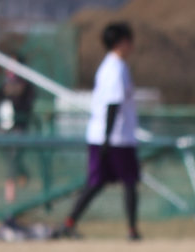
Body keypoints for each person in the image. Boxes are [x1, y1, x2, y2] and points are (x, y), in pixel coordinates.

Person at [55, 22, 141, 240]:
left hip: (111, 136)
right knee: (122, 182)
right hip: (115, 137)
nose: (131, 45)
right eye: (129, 40)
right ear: (121, 42)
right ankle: (130, 230)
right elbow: (113, 104)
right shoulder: (115, 68)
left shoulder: (114, 66)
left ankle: (70, 223)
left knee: (102, 183)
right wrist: (107, 138)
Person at [0, 53, 35, 205]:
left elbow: (28, 105)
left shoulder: (26, 86)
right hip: (5, 128)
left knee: (12, 162)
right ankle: (22, 173)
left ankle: (10, 200)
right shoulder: (3, 85)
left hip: (18, 128)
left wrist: (17, 116)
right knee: (9, 159)